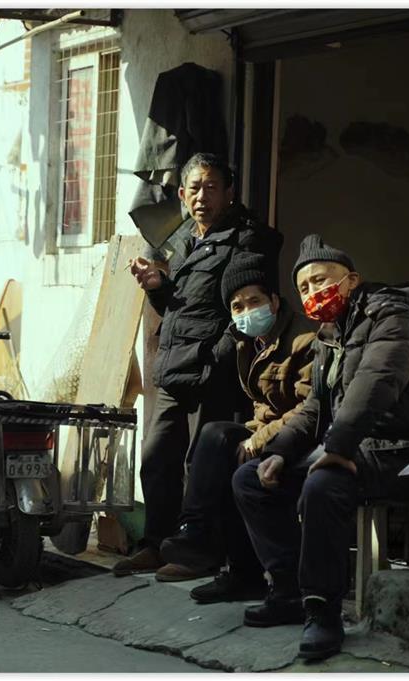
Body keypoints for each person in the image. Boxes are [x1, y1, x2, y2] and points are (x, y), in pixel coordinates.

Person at [232, 234, 409, 661]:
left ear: (351, 279)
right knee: (250, 479)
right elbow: (316, 407)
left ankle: (322, 610)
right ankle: (289, 590)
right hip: (358, 443)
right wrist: (279, 450)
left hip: (404, 447)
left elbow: (376, 384)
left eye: (321, 280)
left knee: (323, 483)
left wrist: (337, 446)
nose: (313, 292)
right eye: (305, 288)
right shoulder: (329, 334)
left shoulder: (392, 314)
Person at [118, 153, 283, 576]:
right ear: (181, 194)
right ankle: (157, 542)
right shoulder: (187, 239)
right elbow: (183, 306)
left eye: (211, 187)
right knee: (157, 460)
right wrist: (159, 287)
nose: (202, 196)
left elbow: (248, 309)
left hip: (213, 370)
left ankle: (201, 549)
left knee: (202, 465)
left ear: (229, 192)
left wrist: (219, 358)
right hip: (176, 368)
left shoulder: (247, 239)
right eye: (194, 187)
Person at [154, 251, 316, 601]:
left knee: (232, 453)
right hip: (272, 432)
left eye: (254, 301)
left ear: (274, 301)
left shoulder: (303, 339)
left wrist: (260, 440)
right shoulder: (247, 342)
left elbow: (310, 407)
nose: (246, 312)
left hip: (301, 437)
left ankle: (216, 550)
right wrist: (254, 436)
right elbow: (262, 406)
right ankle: (206, 541)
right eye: (237, 307)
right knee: (218, 438)